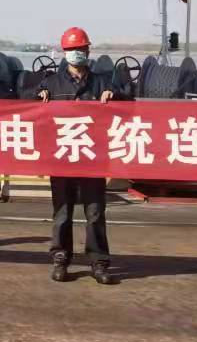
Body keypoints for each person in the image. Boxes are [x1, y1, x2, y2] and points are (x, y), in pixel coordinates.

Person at [36, 26, 129, 285]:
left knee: (95, 213)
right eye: (71, 49)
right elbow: (25, 105)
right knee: (62, 213)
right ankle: (60, 259)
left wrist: (116, 96)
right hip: (62, 157)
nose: (76, 53)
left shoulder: (102, 82)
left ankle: (99, 263)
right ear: (64, 52)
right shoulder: (51, 83)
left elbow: (130, 105)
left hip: (92, 157)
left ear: (88, 51)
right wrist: (37, 95)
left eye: (80, 48)